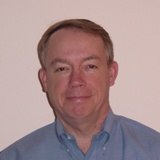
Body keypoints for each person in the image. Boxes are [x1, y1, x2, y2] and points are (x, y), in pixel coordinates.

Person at [0, 19, 160, 160]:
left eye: (90, 66)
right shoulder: (13, 157)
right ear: (45, 80)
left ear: (111, 74)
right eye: (62, 68)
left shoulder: (154, 151)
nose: (76, 81)